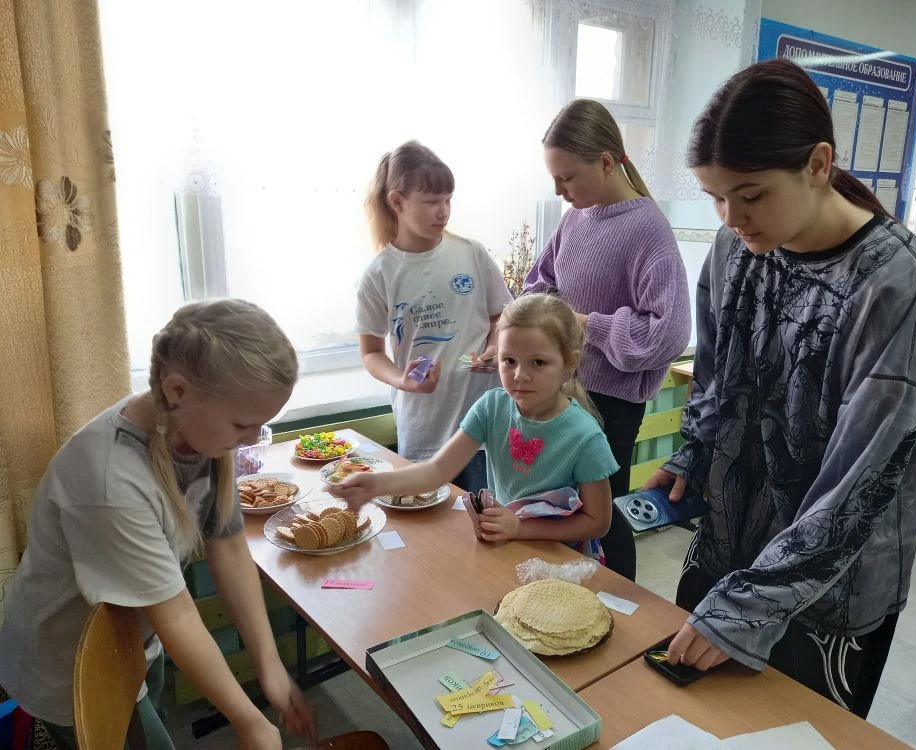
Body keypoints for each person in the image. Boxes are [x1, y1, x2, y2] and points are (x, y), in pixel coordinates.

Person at [643, 59, 916, 718]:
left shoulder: (894, 282)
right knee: (689, 721)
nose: (732, 217)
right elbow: (717, 374)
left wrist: (747, 607)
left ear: (817, 164)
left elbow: (863, 479)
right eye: (716, 197)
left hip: (830, 591)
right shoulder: (736, 248)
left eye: (751, 195)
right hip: (728, 543)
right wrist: (694, 452)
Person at [0, 300, 315, 750]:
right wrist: (249, 721)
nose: (251, 439)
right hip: (66, 663)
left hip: (134, 635)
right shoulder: (110, 482)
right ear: (177, 390)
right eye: (242, 424)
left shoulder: (198, 434)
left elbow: (228, 546)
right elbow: (178, 612)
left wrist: (270, 666)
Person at [523, 99, 691, 581]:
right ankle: (560, 597)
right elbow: (540, 283)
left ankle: (619, 604)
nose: (559, 190)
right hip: (563, 390)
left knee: (601, 515)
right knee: (559, 507)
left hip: (610, 404)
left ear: (605, 162)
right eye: (554, 178)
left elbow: (668, 332)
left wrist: (585, 325)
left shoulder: (647, 228)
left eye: (567, 177)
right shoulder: (575, 219)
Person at [333, 294, 618, 556]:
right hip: (509, 545)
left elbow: (598, 522)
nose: (520, 375)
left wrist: (521, 528)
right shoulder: (491, 407)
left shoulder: (585, 436)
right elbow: (436, 471)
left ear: (570, 363)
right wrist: (376, 484)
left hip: (563, 558)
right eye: (509, 360)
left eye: (538, 362)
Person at [358, 140, 512, 494]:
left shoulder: (471, 253)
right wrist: (402, 380)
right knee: (429, 524)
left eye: (447, 200)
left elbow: (501, 317)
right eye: (430, 202)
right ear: (397, 202)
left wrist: (494, 348)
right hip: (423, 432)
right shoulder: (379, 274)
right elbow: (371, 354)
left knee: (485, 521)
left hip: (483, 430)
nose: (443, 212)